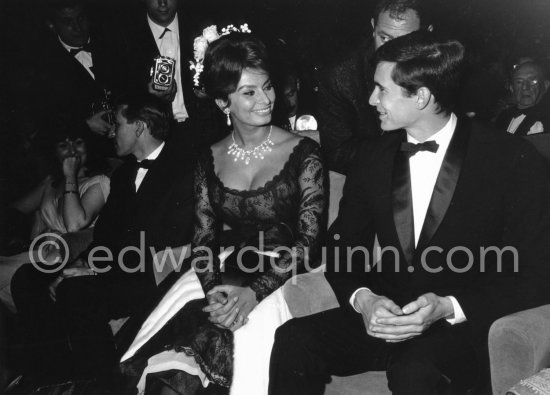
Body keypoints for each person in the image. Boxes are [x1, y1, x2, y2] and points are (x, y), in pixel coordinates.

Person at [269, 32, 550, 395]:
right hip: (386, 315)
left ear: (421, 96)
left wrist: (448, 307)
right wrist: (364, 299)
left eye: (381, 89)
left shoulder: (512, 159)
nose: (371, 100)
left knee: (413, 370)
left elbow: (538, 271)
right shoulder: (373, 156)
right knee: (293, 338)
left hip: (461, 324)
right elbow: (342, 245)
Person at [120, 32, 325, 395]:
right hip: (226, 268)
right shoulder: (209, 158)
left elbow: (308, 242)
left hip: (286, 275)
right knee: (171, 348)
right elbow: (203, 240)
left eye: (267, 87)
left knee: (242, 352)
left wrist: (252, 294)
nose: (265, 100)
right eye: (249, 92)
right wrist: (215, 292)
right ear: (222, 102)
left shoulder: (303, 151)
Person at [10, 93, 196, 384]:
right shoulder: (123, 176)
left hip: (151, 274)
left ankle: (104, 387)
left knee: (77, 293)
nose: (111, 132)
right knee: (28, 278)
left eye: (118, 124)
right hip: (115, 267)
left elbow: (165, 246)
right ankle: (55, 373)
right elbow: (106, 235)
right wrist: (82, 262)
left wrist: (95, 270)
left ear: (140, 127)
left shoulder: (182, 170)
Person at [318, 0, 432, 174]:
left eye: (405, 40)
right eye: (384, 38)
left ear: (427, 34)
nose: (391, 50)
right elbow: (338, 152)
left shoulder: (441, 68)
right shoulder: (340, 77)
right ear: (373, 26)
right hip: (371, 176)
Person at [0, 128, 109, 311]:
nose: (72, 150)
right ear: (54, 152)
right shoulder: (50, 184)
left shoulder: (99, 182)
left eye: (78, 142)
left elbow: (75, 224)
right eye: (63, 145)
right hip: (38, 252)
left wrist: (69, 176)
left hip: (67, 255)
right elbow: (13, 210)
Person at [109, 0, 226, 149]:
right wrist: (149, 96)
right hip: (156, 137)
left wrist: (212, 90)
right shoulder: (125, 37)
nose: (162, 3)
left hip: (208, 128)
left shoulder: (202, 27)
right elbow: (118, 93)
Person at [30, 0, 115, 159]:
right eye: (67, 21)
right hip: (85, 163)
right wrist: (85, 125)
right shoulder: (42, 68)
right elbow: (43, 126)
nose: (77, 27)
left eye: (81, 18)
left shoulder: (112, 44)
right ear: (52, 25)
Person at [495, 59, 550, 135]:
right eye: (519, 82)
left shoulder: (547, 117)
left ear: (545, 86)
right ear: (511, 88)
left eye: (533, 81)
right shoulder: (503, 116)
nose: (525, 87)